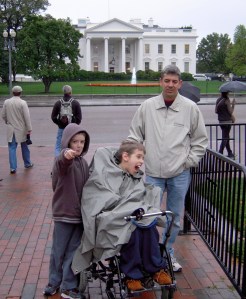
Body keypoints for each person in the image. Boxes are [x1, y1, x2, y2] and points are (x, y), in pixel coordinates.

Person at [127, 65, 208, 272]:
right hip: (153, 173)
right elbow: (134, 136)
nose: (170, 85)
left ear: (180, 83)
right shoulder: (147, 107)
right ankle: (151, 255)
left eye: (174, 81)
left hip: (179, 174)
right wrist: (134, 161)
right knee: (148, 216)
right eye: (167, 81)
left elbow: (200, 141)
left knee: (174, 218)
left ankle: (168, 253)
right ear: (160, 82)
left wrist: (188, 162)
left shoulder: (190, 108)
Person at [72, 140, 172, 292]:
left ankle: (155, 269)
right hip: (112, 218)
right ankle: (132, 275)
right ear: (125, 156)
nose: (141, 162)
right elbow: (99, 198)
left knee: (149, 226)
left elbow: (138, 196)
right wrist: (128, 207)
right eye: (138, 157)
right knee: (131, 232)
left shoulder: (135, 177)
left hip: (132, 217)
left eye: (143, 158)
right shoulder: (105, 175)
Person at [43, 123, 90, 299]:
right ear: (67, 143)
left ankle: (69, 285)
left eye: (82, 142)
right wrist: (66, 154)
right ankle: (53, 282)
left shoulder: (83, 163)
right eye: (74, 141)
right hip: (64, 214)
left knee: (73, 251)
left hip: (79, 217)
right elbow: (63, 162)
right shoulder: (63, 160)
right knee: (58, 250)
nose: (78, 145)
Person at [1, 85, 33, 174]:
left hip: (11, 128)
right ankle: (27, 163)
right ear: (20, 93)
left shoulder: (7, 102)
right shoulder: (23, 103)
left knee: (11, 148)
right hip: (21, 128)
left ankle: (13, 168)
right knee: (24, 146)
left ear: (12, 92)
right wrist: (29, 128)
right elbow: (27, 117)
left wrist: (8, 121)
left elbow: (3, 115)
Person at [51, 85, 82, 157]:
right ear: (71, 92)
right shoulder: (75, 103)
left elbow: (53, 117)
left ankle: (58, 162)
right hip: (72, 129)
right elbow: (79, 118)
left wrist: (59, 123)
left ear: (63, 92)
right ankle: (71, 162)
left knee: (58, 146)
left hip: (61, 128)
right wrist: (74, 125)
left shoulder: (58, 103)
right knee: (72, 146)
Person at [215, 91, 235, 159]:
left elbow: (216, 111)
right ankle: (220, 153)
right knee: (225, 138)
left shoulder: (218, 100)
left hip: (221, 121)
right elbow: (231, 111)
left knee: (226, 137)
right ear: (227, 93)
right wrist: (233, 105)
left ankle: (230, 152)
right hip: (227, 122)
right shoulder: (227, 100)